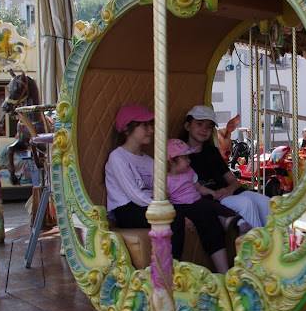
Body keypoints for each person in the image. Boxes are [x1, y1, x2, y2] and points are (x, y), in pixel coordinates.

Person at [104, 104, 223, 269]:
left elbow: (163, 191)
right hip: (128, 210)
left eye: (151, 125)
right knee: (173, 218)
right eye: (144, 125)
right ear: (127, 129)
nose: (151, 129)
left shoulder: (149, 160)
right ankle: (168, 274)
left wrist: (175, 208)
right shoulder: (118, 157)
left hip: (153, 205)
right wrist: (171, 209)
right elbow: (135, 194)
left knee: (204, 211)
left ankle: (222, 270)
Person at [181, 105, 270, 229]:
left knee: (267, 203)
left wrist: (229, 189)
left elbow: (233, 181)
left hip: (227, 194)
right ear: (187, 126)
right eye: (199, 124)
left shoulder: (212, 152)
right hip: (210, 198)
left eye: (209, 127)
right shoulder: (180, 154)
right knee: (246, 204)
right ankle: (255, 245)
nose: (204, 130)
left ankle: (275, 243)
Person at [165, 139, 230, 273]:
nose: (189, 161)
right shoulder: (165, 180)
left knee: (209, 205)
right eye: (185, 158)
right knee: (202, 210)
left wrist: (211, 192)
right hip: (180, 206)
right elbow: (166, 201)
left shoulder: (189, 171)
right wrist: (182, 218)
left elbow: (199, 188)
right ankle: (172, 268)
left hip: (196, 201)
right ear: (172, 161)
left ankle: (227, 217)